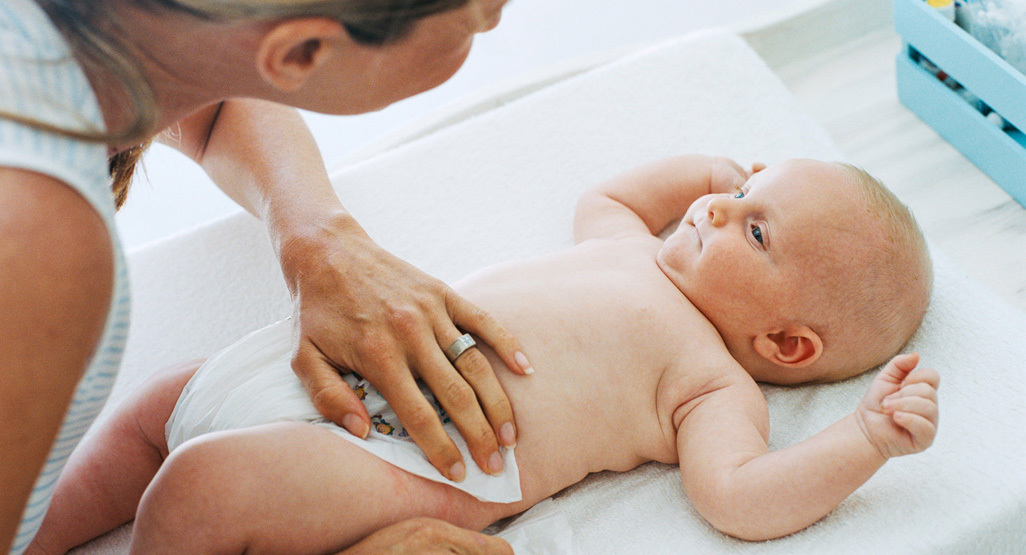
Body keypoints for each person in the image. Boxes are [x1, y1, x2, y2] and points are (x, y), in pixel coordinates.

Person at [26, 154, 939, 554]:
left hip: (405, 455)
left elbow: (741, 499)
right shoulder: (625, 246)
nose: (712, 210)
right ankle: (39, 532)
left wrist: (862, 441)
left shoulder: (711, 384)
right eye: (738, 191)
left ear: (786, 341)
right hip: (340, 359)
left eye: (755, 228)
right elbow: (609, 192)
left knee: (201, 490)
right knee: (162, 406)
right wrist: (708, 171)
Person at [0, 1, 532, 554]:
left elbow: (213, 99)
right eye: (480, 19)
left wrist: (318, 237)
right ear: (304, 50)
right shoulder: (37, 241)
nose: (499, 17)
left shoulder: (102, 39)